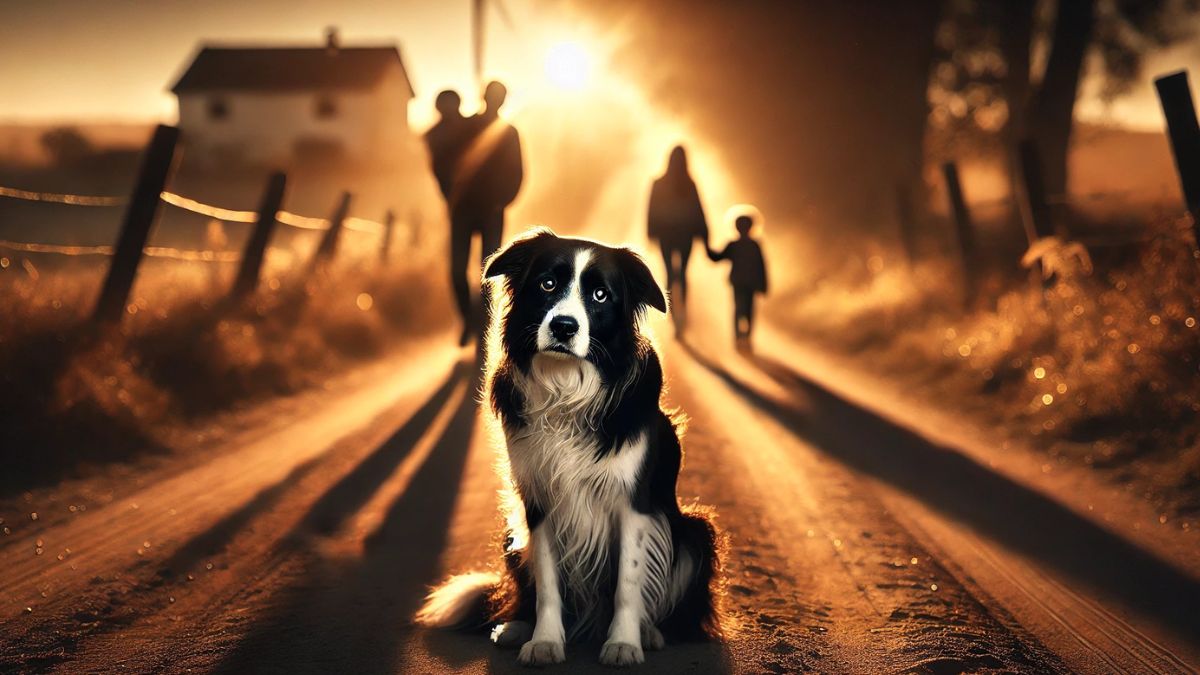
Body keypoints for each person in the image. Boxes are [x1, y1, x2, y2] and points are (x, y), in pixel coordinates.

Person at [429, 82, 524, 346]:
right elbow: (444, 162)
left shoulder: (509, 133)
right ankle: (468, 319)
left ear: (504, 101)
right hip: (462, 210)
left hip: (492, 212)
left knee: (489, 269)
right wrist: (451, 196)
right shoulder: (463, 128)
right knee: (457, 270)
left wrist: (502, 201)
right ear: (483, 97)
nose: (496, 101)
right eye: (493, 96)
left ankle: (483, 323)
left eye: (500, 98)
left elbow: (517, 172)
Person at [648, 146, 708, 332]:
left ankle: (674, 313)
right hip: (684, 234)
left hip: (667, 234)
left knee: (670, 273)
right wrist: (704, 233)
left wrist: (652, 231)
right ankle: (680, 313)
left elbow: (651, 209)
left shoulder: (659, 183)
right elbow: (698, 210)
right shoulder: (689, 184)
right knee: (681, 273)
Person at [708, 213, 768, 347]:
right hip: (746, 283)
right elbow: (761, 266)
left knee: (740, 309)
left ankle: (741, 338)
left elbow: (717, 258)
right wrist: (763, 285)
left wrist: (706, 245)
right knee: (747, 309)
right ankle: (744, 338)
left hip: (740, 283)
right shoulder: (752, 245)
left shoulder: (736, 245)